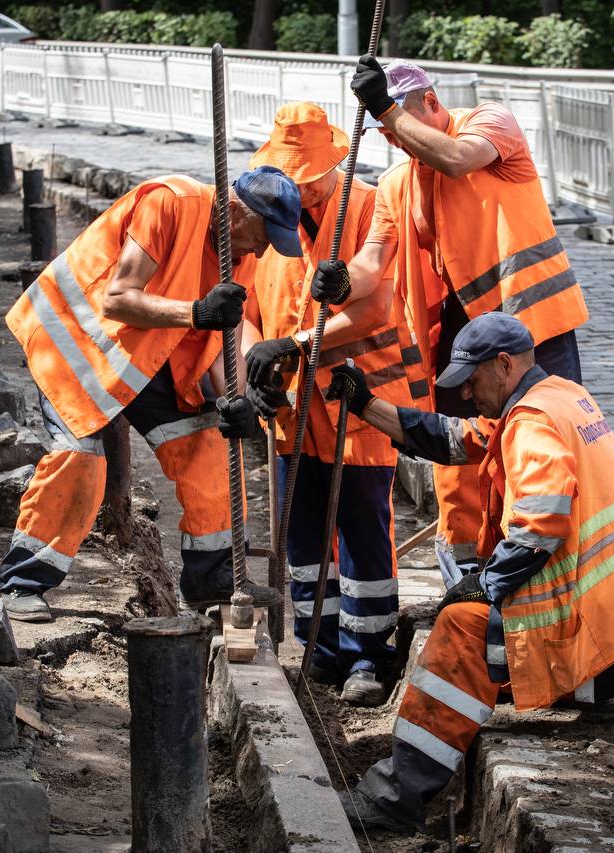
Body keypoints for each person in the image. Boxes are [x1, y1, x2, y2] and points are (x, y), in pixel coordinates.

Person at [326, 311, 614, 833]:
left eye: (472, 382)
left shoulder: (533, 422)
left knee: (461, 635)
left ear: (503, 366)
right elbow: (453, 439)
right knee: (498, 647)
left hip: (586, 605)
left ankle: (397, 794)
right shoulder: (559, 395)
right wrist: (366, 405)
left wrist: (486, 584)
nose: (466, 395)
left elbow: (541, 523)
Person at [310, 58, 589, 589]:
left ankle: (544, 570)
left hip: (532, 330)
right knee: (461, 459)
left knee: (537, 446)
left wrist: (387, 111)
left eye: (394, 126)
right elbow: (373, 262)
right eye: (382, 132)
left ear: (431, 104)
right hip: (461, 347)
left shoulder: (488, 124)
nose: (391, 140)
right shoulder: (398, 183)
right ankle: (469, 576)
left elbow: (459, 160)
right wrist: (342, 281)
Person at [0, 166, 301, 622]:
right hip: (78, 345)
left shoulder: (238, 251)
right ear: (237, 212)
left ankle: (210, 579)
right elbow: (118, 299)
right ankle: (23, 582)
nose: (262, 248)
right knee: (82, 462)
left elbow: (224, 337)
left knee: (210, 447)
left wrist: (236, 402)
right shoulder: (170, 202)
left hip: (146, 357)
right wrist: (197, 311)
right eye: (262, 235)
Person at [237, 103, 422, 705]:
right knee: (303, 527)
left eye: (310, 174)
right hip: (294, 403)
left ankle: (369, 654)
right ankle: (318, 645)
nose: (304, 185)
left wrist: (287, 343)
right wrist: (253, 366)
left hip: (356, 394)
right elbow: (243, 312)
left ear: (333, 163)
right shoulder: (265, 213)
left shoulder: (369, 207)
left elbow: (373, 308)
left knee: (363, 521)